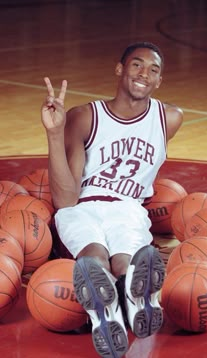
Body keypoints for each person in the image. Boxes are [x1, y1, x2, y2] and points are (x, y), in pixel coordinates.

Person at [41, 42, 183, 358]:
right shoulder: (84, 117)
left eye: (154, 69)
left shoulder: (169, 118)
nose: (144, 73)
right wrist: (54, 133)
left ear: (159, 81)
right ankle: (112, 306)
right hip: (82, 205)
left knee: (128, 260)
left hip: (129, 207)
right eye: (136, 64)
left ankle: (132, 300)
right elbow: (65, 198)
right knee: (94, 256)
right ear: (119, 69)